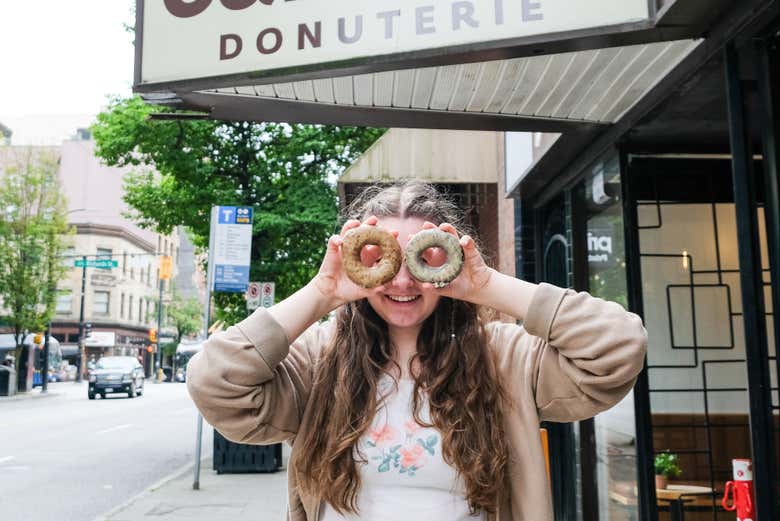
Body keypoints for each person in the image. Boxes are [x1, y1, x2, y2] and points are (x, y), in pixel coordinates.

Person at [187, 182, 647, 521]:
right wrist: (323, 292)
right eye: (382, 260)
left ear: (447, 260)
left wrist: (486, 287)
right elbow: (214, 381)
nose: (403, 281)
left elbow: (619, 347)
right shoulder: (317, 360)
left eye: (422, 259)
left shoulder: (504, 358)